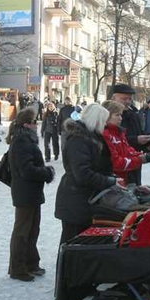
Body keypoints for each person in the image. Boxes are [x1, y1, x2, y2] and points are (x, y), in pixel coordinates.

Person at [55, 103, 119, 244]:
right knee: (72, 242)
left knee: (80, 243)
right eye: (103, 121)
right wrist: (109, 181)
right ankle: (68, 267)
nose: (105, 125)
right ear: (96, 120)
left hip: (82, 199)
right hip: (75, 201)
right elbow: (82, 174)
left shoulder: (90, 137)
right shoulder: (79, 140)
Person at [7, 107, 55, 282]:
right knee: (23, 231)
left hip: (31, 192)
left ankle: (31, 262)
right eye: (35, 121)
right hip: (25, 192)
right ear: (27, 124)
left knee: (33, 229)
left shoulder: (26, 139)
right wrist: (46, 172)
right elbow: (26, 170)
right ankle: (18, 268)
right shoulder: (22, 141)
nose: (37, 124)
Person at [102, 100, 150, 182]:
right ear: (106, 116)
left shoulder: (119, 132)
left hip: (125, 179)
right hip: (113, 181)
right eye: (117, 115)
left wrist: (143, 155)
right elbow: (115, 163)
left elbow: (128, 151)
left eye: (121, 115)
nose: (120, 118)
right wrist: (140, 159)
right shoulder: (105, 134)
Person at [110, 84, 150, 186]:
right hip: (119, 169)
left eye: (129, 99)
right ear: (113, 98)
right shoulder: (108, 115)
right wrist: (136, 140)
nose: (127, 102)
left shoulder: (133, 114)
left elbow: (139, 134)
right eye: (124, 99)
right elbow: (112, 140)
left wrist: (148, 145)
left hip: (134, 164)